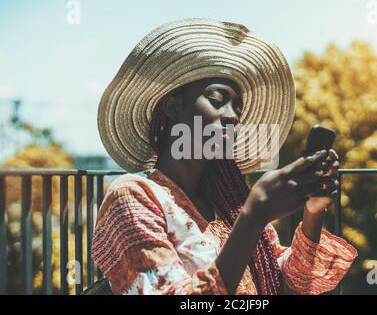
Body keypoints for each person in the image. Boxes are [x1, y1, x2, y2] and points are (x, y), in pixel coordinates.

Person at [92, 18, 357, 295]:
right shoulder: (133, 196)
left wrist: (313, 210)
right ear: (173, 108)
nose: (232, 116)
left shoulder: (229, 203)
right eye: (217, 100)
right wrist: (253, 217)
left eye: (238, 109)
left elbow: (290, 285)